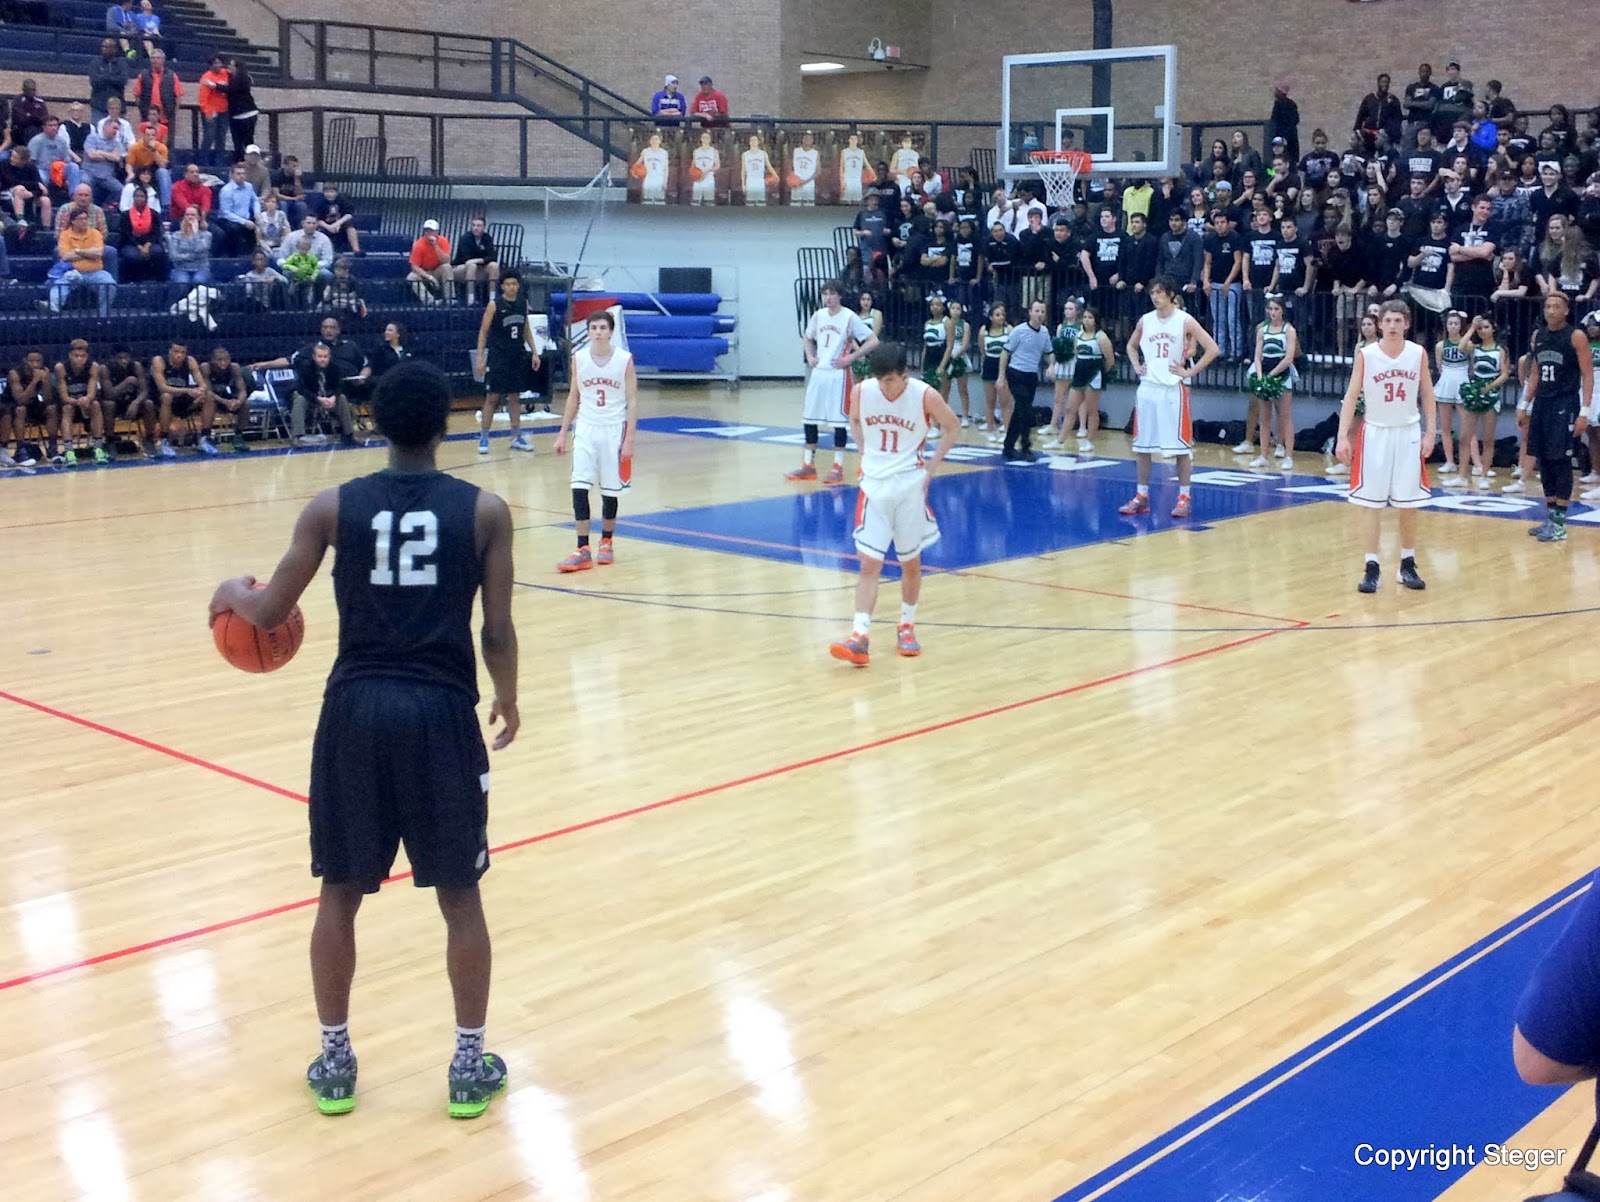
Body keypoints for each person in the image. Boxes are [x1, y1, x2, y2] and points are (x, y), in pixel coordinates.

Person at [207, 360, 518, 1121]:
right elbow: (498, 629)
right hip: (441, 714)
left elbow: (270, 605)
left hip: (355, 713)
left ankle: (337, 1060)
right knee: (460, 895)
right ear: (445, 424)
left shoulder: (331, 508)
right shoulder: (485, 512)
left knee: (340, 893)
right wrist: (509, 698)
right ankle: (468, 1066)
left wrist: (228, 595)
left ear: (374, 421)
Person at [827, 341, 959, 667]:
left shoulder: (925, 395)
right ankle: (859, 636)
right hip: (873, 486)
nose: (884, 385)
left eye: (890, 380)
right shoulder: (862, 391)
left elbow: (953, 427)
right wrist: (863, 452)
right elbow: (855, 421)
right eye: (880, 379)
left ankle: (906, 625)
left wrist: (931, 468)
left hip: (910, 488)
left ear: (904, 375)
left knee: (910, 563)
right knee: (869, 564)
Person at [1335, 299, 1439, 591]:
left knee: (1409, 503)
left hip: (1407, 433)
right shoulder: (1367, 355)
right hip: (1375, 433)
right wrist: (1343, 436)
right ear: (1379, 324)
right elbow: (1352, 396)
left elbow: (1428, 396)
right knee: (1370, 504)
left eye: (1398, 321)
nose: (1392, 326)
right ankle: (1371, 566)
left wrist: (1431, 433)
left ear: (1407, 324)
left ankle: (1407, 564)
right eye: (1388, 321)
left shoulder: (1418, 353)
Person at [1119, 277, 1221, 519]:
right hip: (1147, 389)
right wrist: (1136, 365)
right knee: (1142, 446)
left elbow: (1213, 349)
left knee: (1180, 448)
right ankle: (1141, 495)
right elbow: (1131, 346)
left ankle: (1184, 497)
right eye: (1152, 292)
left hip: (1173, 389)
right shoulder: (1145, 320)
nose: (1155, 297)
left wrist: (1189, 372)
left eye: (1160, 293)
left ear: (1171, 295)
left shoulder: (1184, 320)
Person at [554, 311, 637, 572]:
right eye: (593, 327)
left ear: (611, 331)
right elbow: (573, 396)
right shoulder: (579, 358)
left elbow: (632, 401)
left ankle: (607, 541)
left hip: (614, 429)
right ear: (588, 331)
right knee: (579, 484)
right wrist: (562, 432)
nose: (598, 331)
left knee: (610, 489)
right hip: (586, 428)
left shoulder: (624, 360)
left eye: (603, 327)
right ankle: (582, 548)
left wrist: (630, 439)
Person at [1520, 292, 1595, 542]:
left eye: (1556, 307)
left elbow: (1587, 375)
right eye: (1548, 306)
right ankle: (1550, 518)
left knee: (1561, 462)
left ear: (1566, 311)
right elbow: (1535, 373)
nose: (1550, 310)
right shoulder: (1538, 336)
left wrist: (1584, 411)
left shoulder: (1576, 336)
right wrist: (1524, 404)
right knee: (1544, 460)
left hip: (1566, 404)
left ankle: (1560, 524)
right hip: (1542, 403)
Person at [787, 279, 878, 484]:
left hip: (839, 374)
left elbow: (873, 341)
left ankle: (838, 466)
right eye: (825, 294)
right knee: (809, 418)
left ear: (840, 295)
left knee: (839, 422)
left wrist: (851, 357)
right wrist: (810, 356)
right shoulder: (818, 316)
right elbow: (807, 337)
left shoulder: (849, 317)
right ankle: (808, 465)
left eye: (831, 293)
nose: (828, 297)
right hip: (819, 373)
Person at [474, 271, 538, 456]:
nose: (511, 287)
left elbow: (526, 328)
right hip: (498, 356)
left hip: (517, 355)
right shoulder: (494, 305)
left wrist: (534, 351)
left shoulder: (522, 303)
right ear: (502, 286)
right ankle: (484, 437)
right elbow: (483, 332)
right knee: (492, 397)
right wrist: (480, 357)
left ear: (518, 285)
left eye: (514, 283)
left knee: (515, 397)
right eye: (508, 284)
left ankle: (516, 436)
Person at [996, 297, 1054, 462]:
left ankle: (1008, 446)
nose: (1040, 314)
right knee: (1025, 409)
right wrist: (1001, 376)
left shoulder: (1044, 332)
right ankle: (1026, 445)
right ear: (1030, 312)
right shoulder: (1019, 331)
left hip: (1031, 375)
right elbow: (1005, 352)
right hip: (1016, 373)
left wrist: (1051, 365)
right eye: (1037, 311)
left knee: (1020, 411)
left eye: (1043, 311)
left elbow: (1049, 352)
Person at [1247, 295, 1300, 471]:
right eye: (1270, 309)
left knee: (1285, 417)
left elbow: (1289, 357)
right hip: (1265, 374)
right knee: (1264, 417)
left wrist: (1272, 376)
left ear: (1283, 311)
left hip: (1282, 375)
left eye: (1276, 309)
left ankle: (1289, 456)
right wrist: (1261, 376)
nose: (1273, 313)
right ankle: (1263, 454)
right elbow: (1257, 355)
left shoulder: (1289, 330)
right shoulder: (1262, 330)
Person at [1457, 314, 1509, 489]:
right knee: (1465, 437)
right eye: (1480, 328)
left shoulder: (1500, 349)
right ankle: (1462, 475)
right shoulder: (1475, 348)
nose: (1483, 331)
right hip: (1475, 391)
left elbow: (1504, 374)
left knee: (1487, 439)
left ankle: (1484, 475)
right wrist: (1471, 327)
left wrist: (1488, 388)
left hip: (1491, 394)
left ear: (1493, 329)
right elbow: (1461, 346)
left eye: (1486, 327)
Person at [1066, 306, 1113, 453]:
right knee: (1070, 408)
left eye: (1090, 317)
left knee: (1092, 410)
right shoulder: (1078, 335)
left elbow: (1110, 360)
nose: (1087, 320)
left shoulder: (1101, 336)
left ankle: (1090, 440)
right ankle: (1060, 439)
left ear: (1096, 320)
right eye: (1085, 317)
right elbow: (1076, 353)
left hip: (1094, 374)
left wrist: (1101, 372)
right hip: (1080, 373)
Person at [151, 339, 207, 457]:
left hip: (182, 399)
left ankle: (204, 438)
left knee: (208, 396)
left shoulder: (190, 361)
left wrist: (200, 391)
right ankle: (164, 440)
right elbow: (162, 388)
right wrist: (188, 390)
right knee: (166, 397)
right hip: (160, 401)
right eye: (176, 351)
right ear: (169, 351)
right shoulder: (159, 361)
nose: (179, 355)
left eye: (183, 352)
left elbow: (202, 384)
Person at [55, 338, 107, 465]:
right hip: (70, 403)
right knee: (67, 408)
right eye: (76, 356)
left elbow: (92, 391)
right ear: (70, 355)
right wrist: (77, 401)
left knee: (95, 404)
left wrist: (87, 399)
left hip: (86, 404)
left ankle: (98, 448)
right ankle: (69, 451)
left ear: (87, 356)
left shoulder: (93, 366)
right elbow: (64, 396)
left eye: (83, 356)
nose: (79, 359)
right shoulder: (61, 367)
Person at [1432, 310, 1470, 479]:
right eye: (1450, 323)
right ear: (1446, 326)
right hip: (1446, 382)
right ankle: (1450, 462)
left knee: (1468, 426)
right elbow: (1439, 366)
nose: (1453, 326)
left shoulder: (1468, 345)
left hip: (1462, 381)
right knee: (1445, 427)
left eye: (1456, 323)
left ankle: (1475, 463)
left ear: (1461, 326)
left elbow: (1472, 364)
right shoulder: (1440, 346)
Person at [99, 344, 155, 456]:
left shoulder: (136, 366)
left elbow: (144, 390)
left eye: (126, 358)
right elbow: (109, 394)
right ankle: (110, 441)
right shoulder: (105, 369)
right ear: (113, 358)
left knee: (148, 403)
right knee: (108, 404)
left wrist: (135, 402)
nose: (124, 361)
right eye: (120, 358)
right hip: (116, 404)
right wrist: (126, 382)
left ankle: (149, 440)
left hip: (132, 403)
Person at [7, 351, 57, 465]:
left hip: (33, 404)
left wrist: (45, 382)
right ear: (25, 361)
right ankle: (21, 450)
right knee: (21, 409)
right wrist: (34, 381)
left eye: (38, 361)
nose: (35, 364)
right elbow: (21, 400)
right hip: (11, 407)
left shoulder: (45, 371)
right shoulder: (14, 373)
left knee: (52, 409)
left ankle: (52, 448)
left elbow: (48, 399)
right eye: (31, 361)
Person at [202, 345, 251, 453]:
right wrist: (225, 402)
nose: (223, 363)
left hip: (225, 395)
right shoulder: (206, 367)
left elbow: (242, 390)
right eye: (219, 360)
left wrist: (238, 401)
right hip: (209, 399)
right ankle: (206, 436)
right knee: (209, 399)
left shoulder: (234, 367)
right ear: (212, 360)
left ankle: (238, 436)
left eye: (226, 359)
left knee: (246, 403)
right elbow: (207, 391)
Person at [452, 215, 498, 306]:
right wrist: (481, 260)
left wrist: (479, 260)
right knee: (471, 265)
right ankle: (471, 299)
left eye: (478, 226)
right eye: (473, 225)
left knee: (494, 266)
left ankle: (492, 299)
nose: (475, 228)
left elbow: (492, 256)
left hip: (480, 266)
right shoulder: (465, 238)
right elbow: (467, 258)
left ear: (484, 227)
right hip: (460, 268)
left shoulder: (487, 238)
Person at [197, 55, 231, 167]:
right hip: (211, 112)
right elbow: (203, 98)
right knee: (209, 137)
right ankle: (203, 162)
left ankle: (219, 163)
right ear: (210, 65)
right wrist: (207, 113)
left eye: (219, 63)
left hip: (224, 112)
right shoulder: (206, 77)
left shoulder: (226, 73)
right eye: (215, 63)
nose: (217, 65)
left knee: (221, 138)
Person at [408, 219, 454, 303]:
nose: (429, 233)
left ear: (436, 232)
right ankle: (430, 301)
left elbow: (446, 260)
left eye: (431, 231)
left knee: (447, 267)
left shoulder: (443, 241)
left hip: (437, 270)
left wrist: (435, 245)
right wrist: (429, 277)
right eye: (426, 231)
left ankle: (450, 298)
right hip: (424, 272)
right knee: (411, 277)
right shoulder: (418, 244)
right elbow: (414, 266)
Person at [226, 59, 259, 163]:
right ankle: (249, 162)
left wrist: (215, 86)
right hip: (247, 113)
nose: (228, 67)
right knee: (247, 141)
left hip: (242, 114)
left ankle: (244, 163)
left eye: (231, 65)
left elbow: (231, 90)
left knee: (240, 142)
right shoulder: (242, 78)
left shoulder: (240, 80)